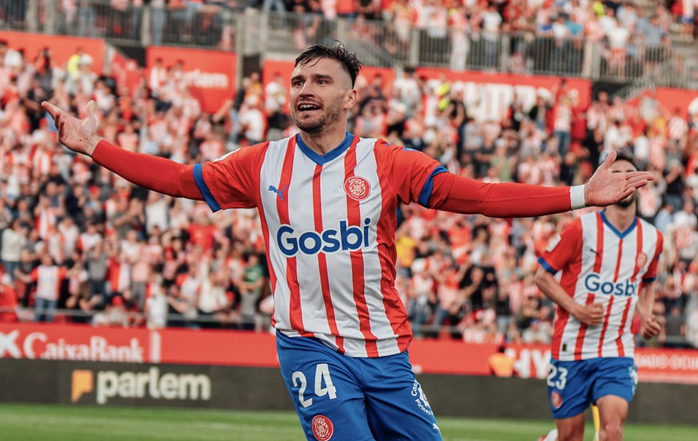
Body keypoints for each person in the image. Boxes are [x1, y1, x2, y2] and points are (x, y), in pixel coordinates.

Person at [43, 42, 654, 441]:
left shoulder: (387, 162)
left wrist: (580, 193)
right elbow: (179, 179)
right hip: (309, 346)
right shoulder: (262, 164)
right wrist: (94, 146)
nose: (304, 89)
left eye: (321, 80)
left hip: (386, 352)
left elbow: (481, 197)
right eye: (297, 80)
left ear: (350, 96)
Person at [534, 152, 663, 441]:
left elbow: (648, 281)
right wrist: (576, 309)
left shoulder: (653, 238)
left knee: (612, 431)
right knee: (570, 436)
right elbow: (541, 276)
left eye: (630, 174)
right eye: (617, 173)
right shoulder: (581, 228)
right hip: (571, 349)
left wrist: (646, 315)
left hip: (616, 350)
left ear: (640, 184)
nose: (624, 179)